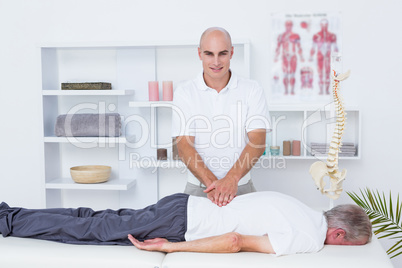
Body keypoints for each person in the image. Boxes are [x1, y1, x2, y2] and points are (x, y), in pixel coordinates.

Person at [0, 191, 372, 256]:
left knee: (96, 221)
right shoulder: (309, 236)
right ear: (338, 233)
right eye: (347, 246)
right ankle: (8, 220)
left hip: (183, 207)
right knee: (92, 231)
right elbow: (235, 241)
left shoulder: (304, 209)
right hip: (180, 222)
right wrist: (170, 247)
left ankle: (10, 214)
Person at [172, 27, 270, 207]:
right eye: (209, 54)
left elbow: (257, 140)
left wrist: (231, 180)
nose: (216, 62)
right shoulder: (184, 92)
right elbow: (184, 145)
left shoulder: (252, 89)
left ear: (232, 52)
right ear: (199, 53)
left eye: (222, 54)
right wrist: (214, 185)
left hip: (241, 187)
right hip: (199, 189)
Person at [274, 20, 304, 95]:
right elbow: (278, 47)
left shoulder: (296, 35)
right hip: (285, 57)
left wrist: (301, 57)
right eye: (287, 25)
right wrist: (276, 57)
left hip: (293, 56)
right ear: (285, 26)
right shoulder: (281, 36)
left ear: (292, 26)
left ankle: (292, 90)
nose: (288, 27)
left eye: (290, 25)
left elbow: (299, 47)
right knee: (285, 74)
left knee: (292, 74)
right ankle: (286, 90)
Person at [309, 19, 339, 95]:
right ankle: (321, 90)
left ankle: (326, 90)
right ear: (320, 25)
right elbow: (313, 47)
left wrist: (337, 57)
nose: (324, 26)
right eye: (322, 25)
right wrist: (311, 56)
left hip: (328, 56)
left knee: (327, 73)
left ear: (328, 25)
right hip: (320, 56)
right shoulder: (316, 36)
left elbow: (335, 47)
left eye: (325, 25)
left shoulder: (332, 36)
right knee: (320, 73)